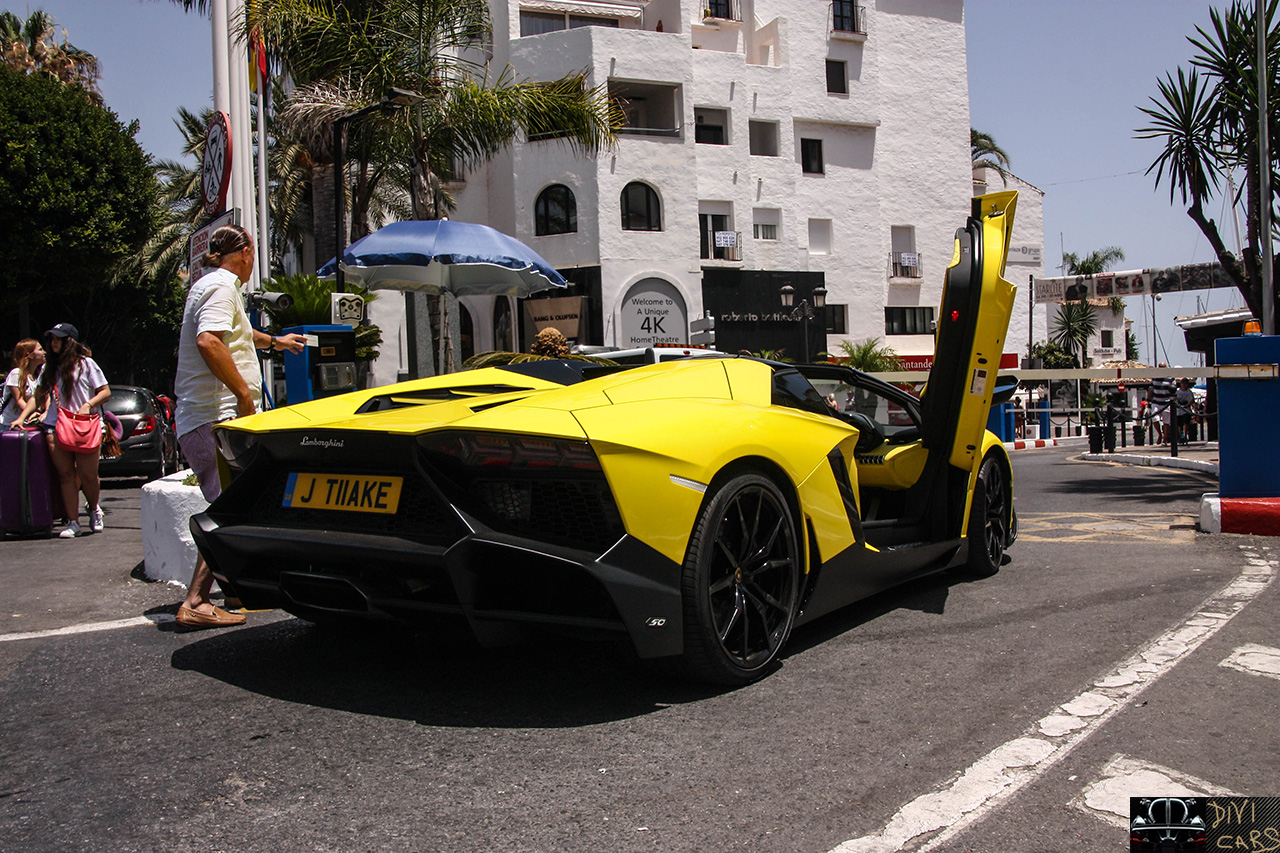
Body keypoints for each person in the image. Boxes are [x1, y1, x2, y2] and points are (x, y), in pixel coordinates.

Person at [173, 225, 306, 628]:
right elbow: (210, 341)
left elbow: (238, 336)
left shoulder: (209, 284)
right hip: (217, 416)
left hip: (203, 417)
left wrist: (277, 343)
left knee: (231, 503)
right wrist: (245, 398)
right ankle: (196, 600)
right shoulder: (222, 287)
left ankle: (222, 592)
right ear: (246, 252)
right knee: (232, 507)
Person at [11, 324, 110, 537]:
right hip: (55, 426)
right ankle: (72, 521)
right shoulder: (50, 368)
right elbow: (38, 396)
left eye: (59, 339)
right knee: (65, 475)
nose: (54, 343)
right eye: (52, 339)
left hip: (84, 424)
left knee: (88, 475)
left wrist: (88, 405)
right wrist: (21, 418)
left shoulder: (86, 364)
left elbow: (105, 391)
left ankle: (93, 509)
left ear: (70, 341)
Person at [3, 338, 43, 427]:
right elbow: (19, 400)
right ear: (30, 355)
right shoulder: (17, 373)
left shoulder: (38, 377)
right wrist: (33, 412)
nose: (44, 352)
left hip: (26, 424)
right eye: (40, 349)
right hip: (7, 425)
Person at [1148, 364, 1175, 444]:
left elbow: (1174, 390)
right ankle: (1160, 434)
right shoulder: (1154, 378)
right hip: (1156, 401)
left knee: (1166, 422)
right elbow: (1150, 389)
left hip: (1166, 402)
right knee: (1154, 418)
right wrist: (1148, 401)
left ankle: (1165, 438)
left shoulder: (1171, 378)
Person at [1176, 379, 1195, 443]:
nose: (1184, 385)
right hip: (1179, 410)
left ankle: (1185, 435)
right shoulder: (1178, 391)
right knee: (1179, 424)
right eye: (1182, 383)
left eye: (1185, 384)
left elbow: (1192, 400)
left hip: (1186, 409)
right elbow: (1176, 399)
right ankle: (1180, 436)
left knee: (1186, 422)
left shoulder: (1189, 392)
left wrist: (1188, 404)